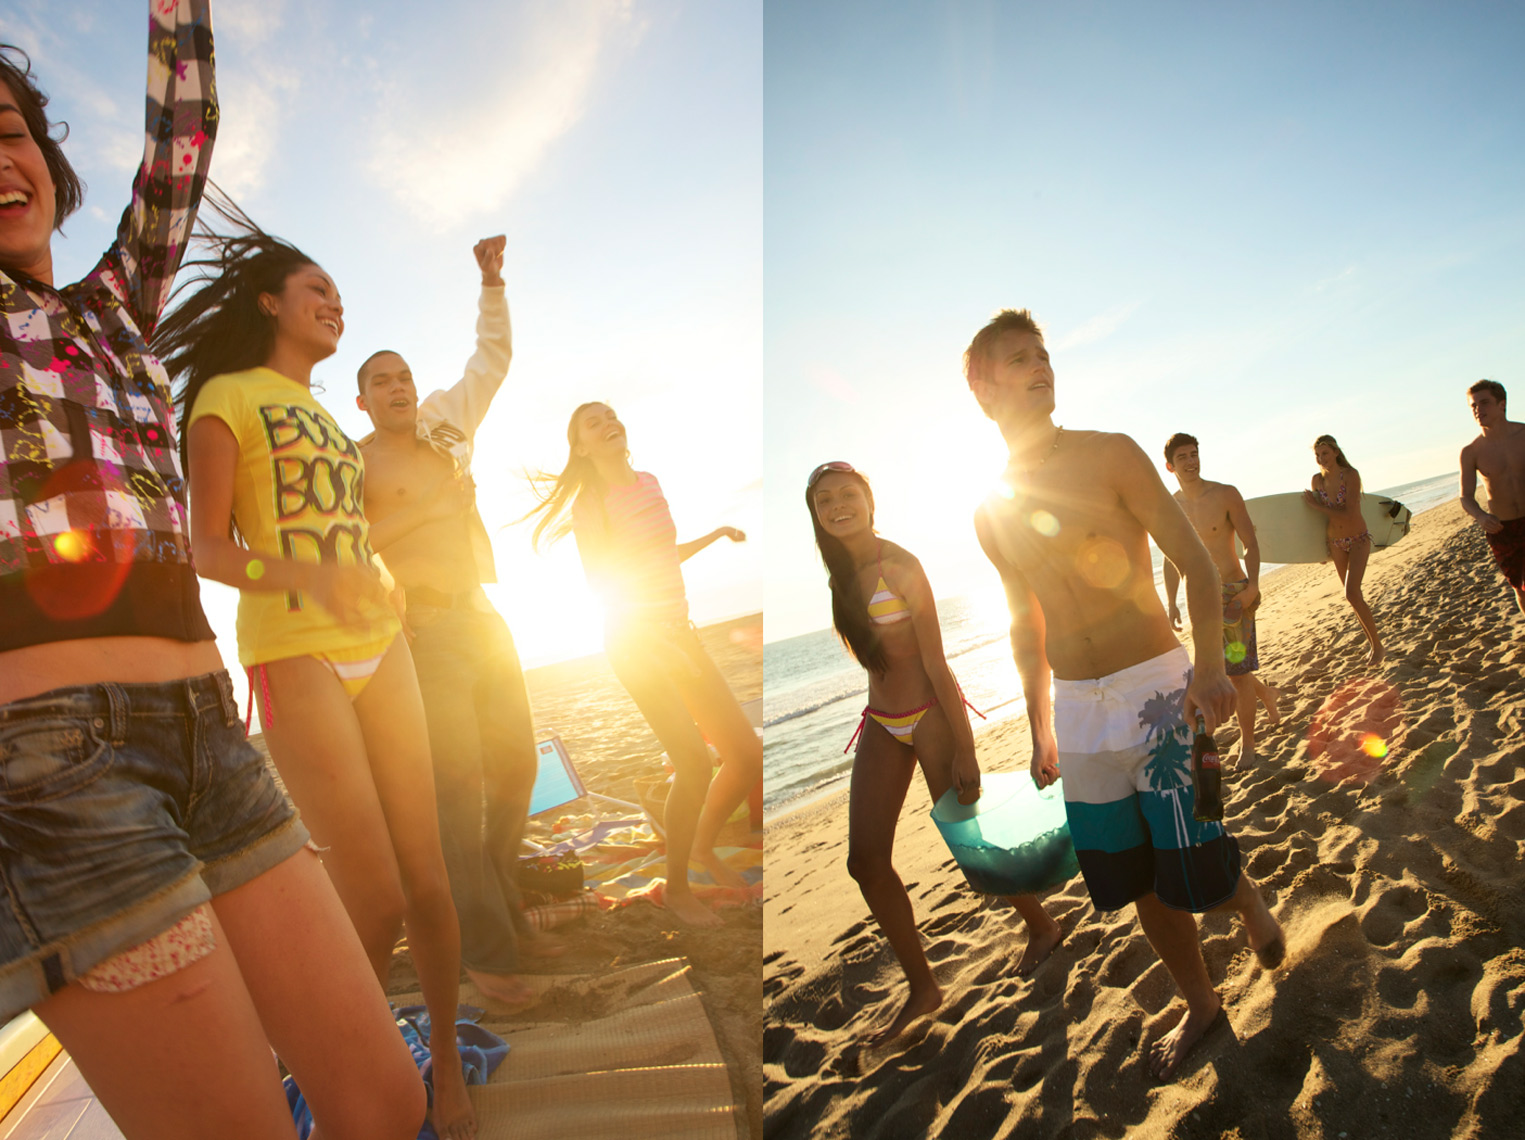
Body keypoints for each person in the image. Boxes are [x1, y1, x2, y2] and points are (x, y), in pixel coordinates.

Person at [0, 7, 426, 1139]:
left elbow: (185, 122)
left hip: (211, 738)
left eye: (9, 131)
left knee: (383, 1102)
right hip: (55, 772)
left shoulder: (113, 307)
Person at [160, 210, 477, 1138]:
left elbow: (352, 535)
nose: (334, 303)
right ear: (271, 303)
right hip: (292, 650)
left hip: (384, 642)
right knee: (370, 891)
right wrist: (304, 576)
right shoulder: (228, 396)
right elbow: (208, 548)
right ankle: (341, 1059)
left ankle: (445, 1065)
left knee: (429, 879)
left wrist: (383, 579)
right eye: (316, 291)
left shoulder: (333, 423)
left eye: (338, 292)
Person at [965, 309, 1283, 1082]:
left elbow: (1198, 567)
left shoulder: (1109, 454)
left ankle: (1244, 903)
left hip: (1154, 689)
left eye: (1042, 354)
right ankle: (1202, 1004)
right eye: (1016, 359)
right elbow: (1022, 624)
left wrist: (1208, 666)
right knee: (1135, 875)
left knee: (1194, 861)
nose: (1038, 365)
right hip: (1076, 711)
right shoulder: (989, 509)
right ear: (981, 387)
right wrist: (1037, 724)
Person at [355, 235, 554, 1010]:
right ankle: (489, 956)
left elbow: (490, 361)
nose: (398, 386)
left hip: (484, 617)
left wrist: (492, 284)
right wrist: (436, 508)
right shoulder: (353, 463)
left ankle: (504, 908)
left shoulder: (443, 425)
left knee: (516, 771)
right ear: (362, 401)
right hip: (425, 635)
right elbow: (354, 553)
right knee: (460, 789)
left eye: (403, 374)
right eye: (381, 381)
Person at [805, 461, 1062, 1044]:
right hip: (880, 721)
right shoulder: (837, 574)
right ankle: (923, 988)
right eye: (825, 500)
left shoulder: (901, 565)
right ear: (815, 514)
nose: (838, 505)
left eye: (849, 494)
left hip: (930, 718)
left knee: (967, 838)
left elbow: (936, 664)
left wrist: (965, 748)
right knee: (864, 861)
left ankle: (1042, 927)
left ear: (870, 501)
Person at [526, 402, 760, 927]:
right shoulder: (592, 503)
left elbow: (661, 553)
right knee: (694, 762)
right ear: (581, 446)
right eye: (593, 421)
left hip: (682, 634)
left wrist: (717, 533)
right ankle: (678, 890)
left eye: (611, 414)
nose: (608, 421)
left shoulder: (649, 482)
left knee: (744, 754)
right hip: (635, 641)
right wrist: (652, 640)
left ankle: (701, 847)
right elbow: (603, 582)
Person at [1161, 434, 1280, 763]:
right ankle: (1267, 694)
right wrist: (1171, 602)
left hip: (1233, 594)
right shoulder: (1171, 507)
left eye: (1194, 454)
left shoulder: (1225, 494)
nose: (1191, 461)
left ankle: (1249, 745)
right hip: (1200, 599)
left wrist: (1252, 586)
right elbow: (1172, 560)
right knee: (1223, 669)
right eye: (1183, 457)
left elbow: (1250, 543)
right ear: (1170, 466)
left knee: (1237, 672)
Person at [1303, 434, 1384, 667]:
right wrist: (1317, 551)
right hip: (1335, 543)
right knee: (1353, 598)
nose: (1321, 459)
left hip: (1358, 539)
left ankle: (1378, 646)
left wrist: (1316, 505)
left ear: (1336, 452)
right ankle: (1372, 645)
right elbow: (1318, 520)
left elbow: (1348, 512)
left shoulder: (1350, 475)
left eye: (1325, 453)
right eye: (1317, 455)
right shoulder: (1317, 480)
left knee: (1352, 593)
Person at [1459, 379, 1525, 615]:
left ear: (1502, 404)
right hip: (1502, 529)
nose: (1478, 410)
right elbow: (1466, 496)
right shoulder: (1471, 452)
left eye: (1484, 403)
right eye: (1473, 406)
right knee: (1520, 588)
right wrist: (1480, 516)